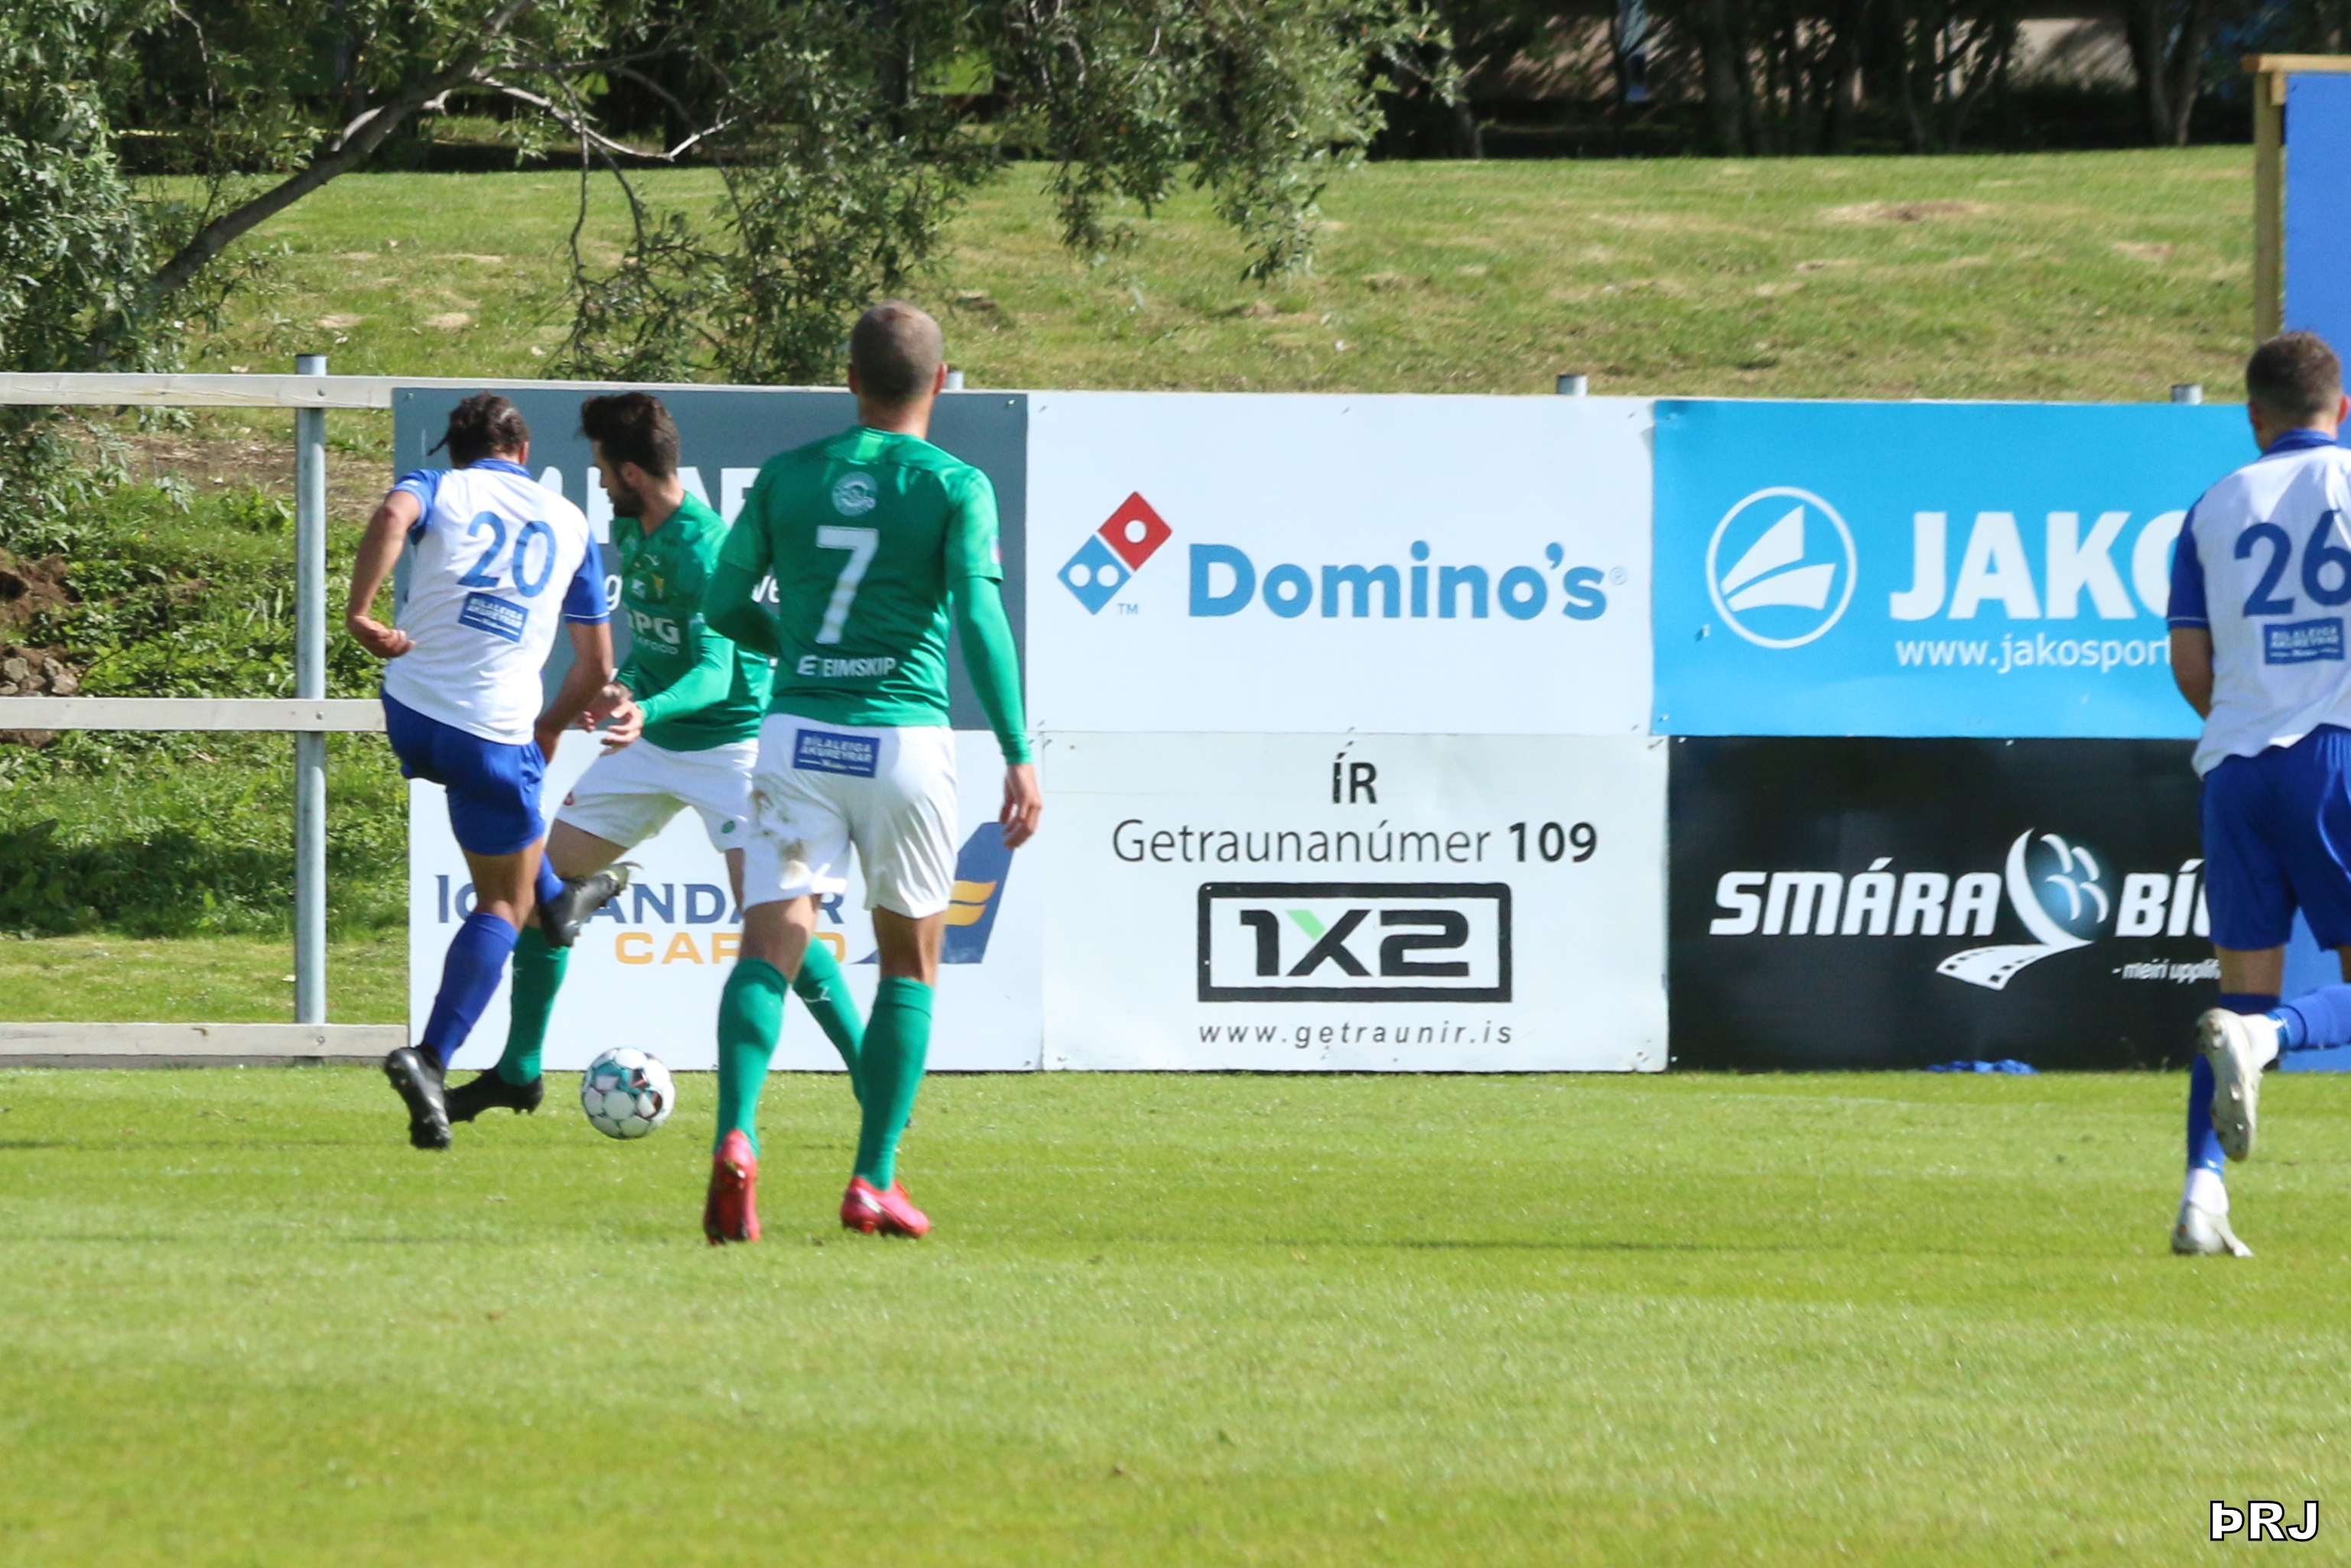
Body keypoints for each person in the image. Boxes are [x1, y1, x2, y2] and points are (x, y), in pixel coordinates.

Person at [697, 301, 1041, 1244]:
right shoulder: (955, 484)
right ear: (940, 384)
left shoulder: (787, 475)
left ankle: (736, 1134)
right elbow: (978, 618)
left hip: (797, 734)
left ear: (848, 380)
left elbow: (722, 602)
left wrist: (796, 648)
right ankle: (872, 1179)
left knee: (769, 945)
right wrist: (1017, 750)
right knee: (908, 963)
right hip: (901, 742)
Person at [441, 392, 867, 1124]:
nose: (600, 481)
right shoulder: (631, 528)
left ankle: (871, 1074)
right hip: (653, 743)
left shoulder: (706, 547)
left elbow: (716, 673)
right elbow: (656, 641)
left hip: (734, 750)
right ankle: (518, 1071)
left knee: (774, 920)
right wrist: (628, 685)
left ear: (631, 472)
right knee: (542, 888)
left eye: (603, 469)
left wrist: (647, 709)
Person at [346, 393, 619, 1149]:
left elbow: (392, 515)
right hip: (490, 731)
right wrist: (551, 726)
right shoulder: (569, 520)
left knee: (526, 877)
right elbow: (597, 664)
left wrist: (361, 612)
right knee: (503, 901)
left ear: (456, 452)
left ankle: (562, 901)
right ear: (523, 452)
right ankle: (431, 1057)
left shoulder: (440, 486)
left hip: (411, 708)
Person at [2167, 330, 2351, 1256]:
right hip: (2337, 754)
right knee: (2269, 1021)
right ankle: (2274, 1039)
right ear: (2340, 408)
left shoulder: (2211, 505)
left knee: (2233, 1002)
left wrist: (2246, 718)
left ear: (2252, 418)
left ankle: (2200, 1199)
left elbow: (2188, 664)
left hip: (2236, 770)